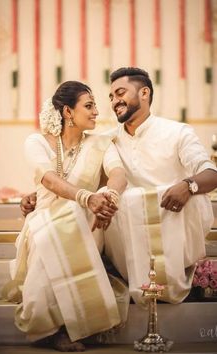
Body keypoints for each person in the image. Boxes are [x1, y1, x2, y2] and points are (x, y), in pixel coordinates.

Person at [20, 68, 217, 305]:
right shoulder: (108, 139)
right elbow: (89, 177)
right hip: (128, 227)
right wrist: (40, 194)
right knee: (105, 200)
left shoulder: (177, 132)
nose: (113, 102)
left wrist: (188, 185)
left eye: (120, 93)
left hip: (171, 221)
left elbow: (211, 173)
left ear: (144, 93)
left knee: (192, 197)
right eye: (111, 97)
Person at [4, 81, 129, 352]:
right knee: (50, 236)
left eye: (95, 105)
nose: (97, 111)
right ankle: (51, 329)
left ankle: (73, 327)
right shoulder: (37, 142)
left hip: (86, 222)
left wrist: (111, 197)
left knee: (75, 226)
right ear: (67, 112)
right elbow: (49, 180)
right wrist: (87, 197)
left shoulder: (100, 143)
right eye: (89, 105)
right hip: (44, 221)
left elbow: (118, 173)